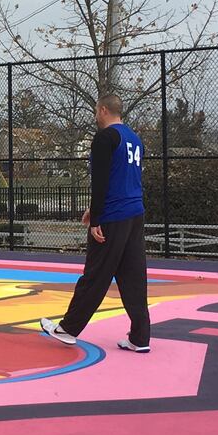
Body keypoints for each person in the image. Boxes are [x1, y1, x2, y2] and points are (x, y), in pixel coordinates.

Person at [39, 94, 151, 352]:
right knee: (134, 277)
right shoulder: (135, 140)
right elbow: (121, 178)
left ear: (103, 110)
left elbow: (100, 180)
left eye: (95, 111)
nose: (95, 116)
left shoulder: (104, 139)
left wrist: (96, 218)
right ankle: (140, 337)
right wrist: (94, 209)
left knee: (95, 276)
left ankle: (68, 328)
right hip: (135, 214)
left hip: (113, 216)